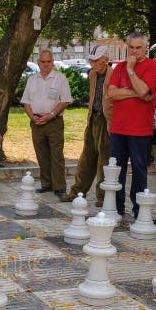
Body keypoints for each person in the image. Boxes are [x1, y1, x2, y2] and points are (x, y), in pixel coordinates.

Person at [107, 32, 156, 217]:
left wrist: (131, 72)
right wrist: (136, 92)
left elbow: (145, 90)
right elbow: (112, 93)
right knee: (116, 170)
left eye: (138, 47)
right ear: (127, 47)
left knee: (139, 171)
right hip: (118, 128)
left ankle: (139, 210)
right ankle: (116, 207)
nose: (134, 51)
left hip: (140, 129)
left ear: (145, 48)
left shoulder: (151, 66)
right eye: (131, 47)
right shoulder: (119, 67)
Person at [63, 44, 113, 206]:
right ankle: (78, 191)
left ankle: (102, 195)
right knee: (86, 157)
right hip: (93, 117)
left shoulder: (114, 75)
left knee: (104, 158)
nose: (93, 64)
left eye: (96, 61)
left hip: (107, 120)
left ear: (106, 60)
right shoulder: (92, 74)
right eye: (91, 61)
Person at [21, 50, 73, 197]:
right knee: (41, 154)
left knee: (56, 154)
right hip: (36, 122)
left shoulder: (60, 78)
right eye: (43, 62)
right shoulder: (32, 80)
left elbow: (65, 100)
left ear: (52, 62)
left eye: (48, 62)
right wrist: (32, 117)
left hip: (54, 121)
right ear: (38, 63)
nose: (45, 65)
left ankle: (59, 186)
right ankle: (47, 184)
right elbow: (26, 102)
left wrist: (50, 115)